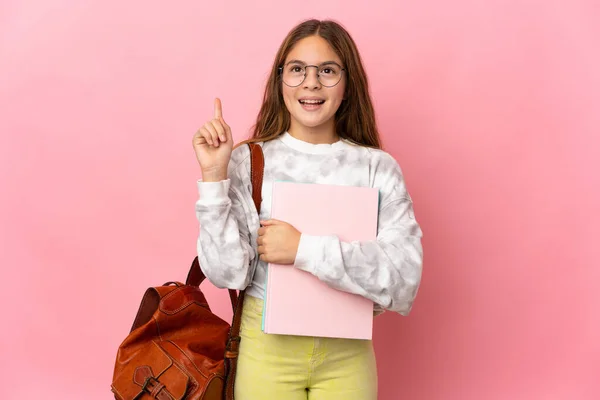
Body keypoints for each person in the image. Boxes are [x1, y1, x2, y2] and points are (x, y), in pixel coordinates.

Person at [193, 18, 423, 400]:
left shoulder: (377, 168)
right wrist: (214, 177)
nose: (311, 83)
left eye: (327, 71)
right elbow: (226, 273)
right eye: (297, 69)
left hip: (347, 356)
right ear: (280, 80)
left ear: (348, 85)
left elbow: (404, 281)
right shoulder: (248, 161)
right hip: (266, 348)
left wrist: (303, 249)